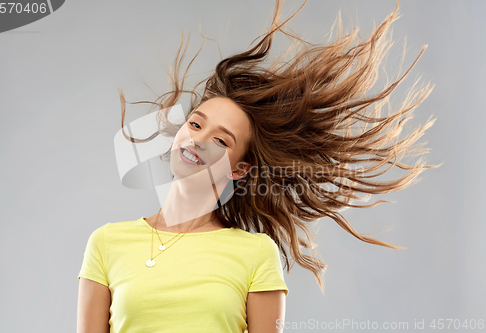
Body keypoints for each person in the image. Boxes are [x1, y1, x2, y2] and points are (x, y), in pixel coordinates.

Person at [77, 0, 440, 332]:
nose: (198, 141)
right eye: (196, 124)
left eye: (221, 141)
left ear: (239, 169)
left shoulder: (255, 254)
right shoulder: (107, 243)